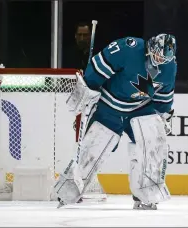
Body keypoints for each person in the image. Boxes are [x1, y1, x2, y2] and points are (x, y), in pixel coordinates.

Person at [55, 34, 177, 210]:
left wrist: (163, 116)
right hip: (109, 106)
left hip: (141, 109)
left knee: (152, 144)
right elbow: (99, 66)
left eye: (164, 58)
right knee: (94, 147)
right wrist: (88, 87)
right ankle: (68, 191)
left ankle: (147, 193)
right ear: (150, 47)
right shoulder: (129, 48)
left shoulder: (170, 67)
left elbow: (163, 99)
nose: (159, 60)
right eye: (157, 55)